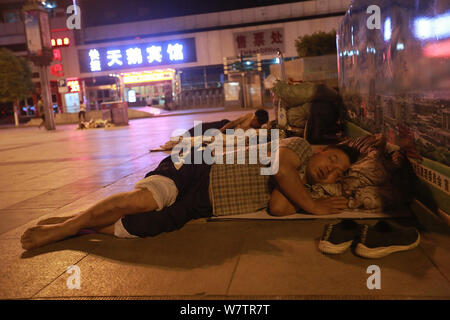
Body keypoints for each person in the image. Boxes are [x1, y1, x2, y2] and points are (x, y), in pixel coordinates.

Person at [21, 137, 359, 250]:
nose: (331, 170)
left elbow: (278, 207)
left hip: (205, 202)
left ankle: (79, 224)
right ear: (319, 150)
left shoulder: (302, 183)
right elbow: (282, 170)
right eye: (332, 159)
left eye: (339, 172)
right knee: (145, 201)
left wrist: (309, 195)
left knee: (141, 227)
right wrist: (313, 206)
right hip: (199, 166)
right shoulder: (296, 147)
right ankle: (64, 229)